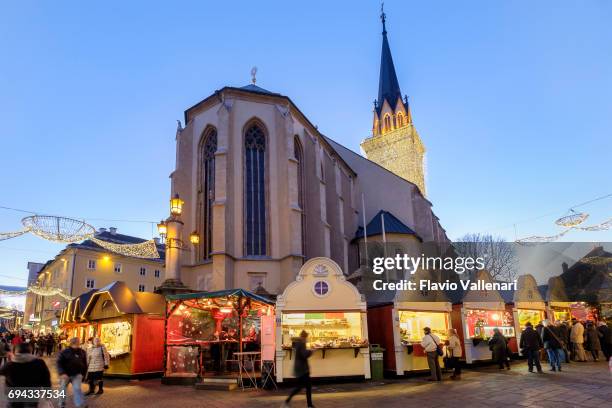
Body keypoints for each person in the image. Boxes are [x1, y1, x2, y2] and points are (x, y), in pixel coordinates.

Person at [0, 343, 51, 408]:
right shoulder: (39, 363)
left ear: (15, 351)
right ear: (30, 351)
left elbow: (1, 371)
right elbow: (46, 380)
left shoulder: (10, 364)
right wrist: (47, 395)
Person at [282, 330, 313, 408]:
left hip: (300, 369)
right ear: (304, 337)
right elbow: (304, 355)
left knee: (302, 387)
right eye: (306, 337)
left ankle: (309, 405)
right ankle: (309, 405)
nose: (307, 339)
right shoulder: (302, 343)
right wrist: (311, 351)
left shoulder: (298, 343)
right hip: (303, 370)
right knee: (304, 387)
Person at [57, 337, 88, 408]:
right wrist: (62, 373)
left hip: (77, 374)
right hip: (65, 374)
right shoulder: (65, 352)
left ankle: (80, 404)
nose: (79, 343)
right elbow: (59, 363)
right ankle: (61, 404)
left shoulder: (82, 352)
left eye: (78, 342)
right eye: (77, 342)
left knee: (77, 388)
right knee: (63, 389)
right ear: (73, 343)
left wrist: (83, 374)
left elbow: (85, 364)